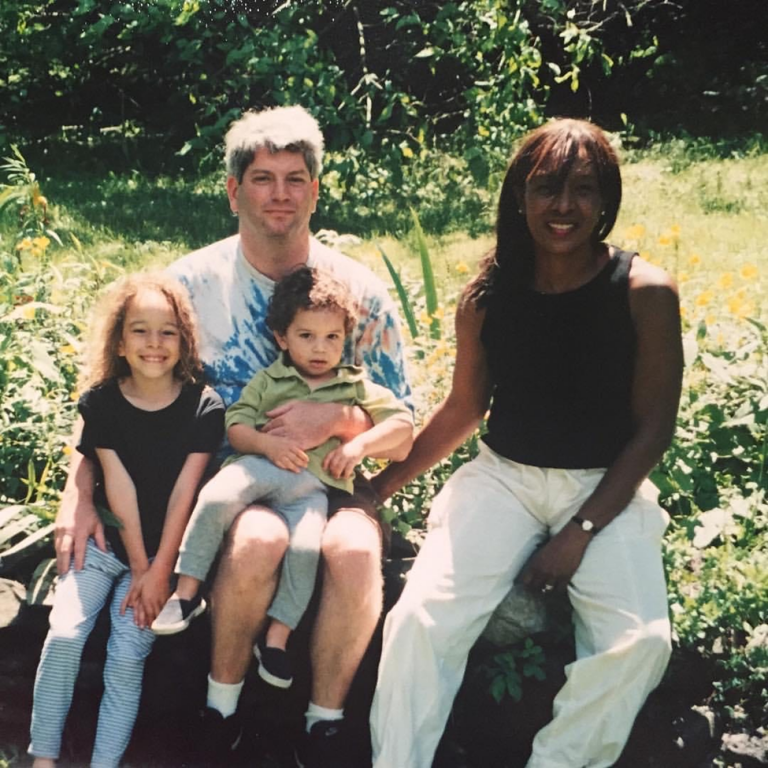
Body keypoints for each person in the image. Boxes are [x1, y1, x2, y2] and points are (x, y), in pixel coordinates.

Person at [53, 105, 412, 767]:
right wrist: (78, 492)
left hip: (329, 482)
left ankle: (322, 725)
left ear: (316, 189)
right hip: (228, 481)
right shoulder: (192, 285)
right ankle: (223, 712)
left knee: (357, 552)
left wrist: (339, 425)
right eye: (263, 178)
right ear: (232, 190)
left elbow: (403, 420)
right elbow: (112, 389)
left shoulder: (355, 292)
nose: (280, 194)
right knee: (255, 539)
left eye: (296, 178)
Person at [369, 118, 683, 768]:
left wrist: (581, 531)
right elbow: (464, 408)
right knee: (420, 622)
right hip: (503, 479)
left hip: (606, 485)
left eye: (584, 190)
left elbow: (654, 429)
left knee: (641, 641)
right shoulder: (486, 298)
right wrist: (378, 487)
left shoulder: (644, 291)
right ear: (520, 195)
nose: (564, 207)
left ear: (607, 200)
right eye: (546, 188)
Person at [151, 266, 413, 695]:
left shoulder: (354, 385)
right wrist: (264, 445)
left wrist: (357, 444)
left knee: (307, 549)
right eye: (306, 336)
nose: (320, 348)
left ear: (345, 339)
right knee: (218, 496)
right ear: (282, 338)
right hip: (260, 468)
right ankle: (186, 592)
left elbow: (401, 425)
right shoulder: (271, 379)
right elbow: (236, 424)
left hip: (310, 487)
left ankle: (277, 641)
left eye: (332, 338)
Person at [29, 273, 224, 768]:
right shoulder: (102, 404)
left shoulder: (205, 406)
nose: (154, 344)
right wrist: (137, 566)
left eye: (168, 332)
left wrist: (158, 572)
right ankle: (44, 756)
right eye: (140, 330)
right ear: (119, 340)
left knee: (125, 656)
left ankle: (104, 762)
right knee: (66, 633)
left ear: (184, 341)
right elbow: (118, 486)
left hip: (164, 557)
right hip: (106, 548)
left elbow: (186, 494)